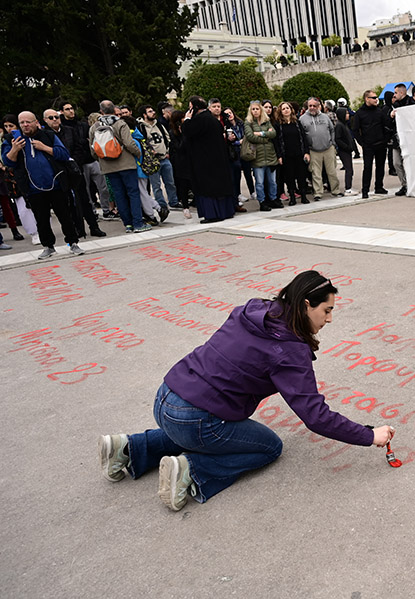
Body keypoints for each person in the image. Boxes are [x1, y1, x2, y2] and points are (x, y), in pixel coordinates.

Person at [98, 270, 396, 512]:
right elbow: (315, 416)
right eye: (327, 310)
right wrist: (370, 436)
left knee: (200, 425)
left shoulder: (255, 309)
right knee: (269, 447)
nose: (330, 319)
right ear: (306, 304)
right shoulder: (289, 350)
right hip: (193, 418)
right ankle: (191, 469)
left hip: (166, 395)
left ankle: (128, 447)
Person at [2, 111, 85, 258]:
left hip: (56, 184)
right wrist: (15, 149)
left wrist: (44, 147)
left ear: (36, 122)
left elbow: (64, 154)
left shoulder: (48, 135)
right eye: (22, 123)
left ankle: (73, 243)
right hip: (33, 188)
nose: (25, 125)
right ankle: (48, 246)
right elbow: (8, 162)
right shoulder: (11, 139)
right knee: (41, 219)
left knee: (65, 215)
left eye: (28, 122)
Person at [42, 108, 105, 238]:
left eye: (56, 117)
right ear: (45, 120)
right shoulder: (44, 136)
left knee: (84, 200)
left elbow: (79, 148)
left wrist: (73, 163)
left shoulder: (69, 131)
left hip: (75, 170)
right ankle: (78, 229)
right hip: (59, 174)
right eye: (51, 118)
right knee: (69, 204)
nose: (55, 120)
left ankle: (94, 227)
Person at [89, 100, 148, 233]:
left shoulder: (94, 127)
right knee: (133, 193)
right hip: (126, 164)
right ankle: (138, 223)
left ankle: (127, 224)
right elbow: (129, 143)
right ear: (115, 111)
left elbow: (92, 151)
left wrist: (102, 160)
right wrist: (138, 154)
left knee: (118, 195)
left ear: (101, 111)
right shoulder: (120, 123)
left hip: (108, 167)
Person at [182, 96, 236, 223]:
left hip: (205, 162)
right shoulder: (213, 119)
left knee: (208, 188)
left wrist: (187, 120)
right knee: (220, 186)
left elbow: (187, 131)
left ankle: (213, 214)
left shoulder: (199, 120)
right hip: (218, 160)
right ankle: (226, 211)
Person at [301, 97, 343, 201]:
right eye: (310, 106)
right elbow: (301, 136)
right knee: (316, 173)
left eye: (314, 106)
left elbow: (332, 130)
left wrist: (332, 143)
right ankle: (318, 193)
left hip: (328, 148)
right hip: (313, 150)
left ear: (319, 106)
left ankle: (335, 190)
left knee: (332, 171)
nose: (312, 108)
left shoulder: (325, 117)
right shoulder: (302, 119)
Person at [138, 105, 180, 209]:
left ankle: (173, 201)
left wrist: (167, 151)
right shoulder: (141, 127)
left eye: (153, 110)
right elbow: (142, 142)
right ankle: (161, 204)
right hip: (153, 161)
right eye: (150, 111)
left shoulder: (159, 125)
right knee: (156, 186)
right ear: (144, 114)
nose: (153, 113)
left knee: (170, 182)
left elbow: (167, 138)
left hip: (164, 158)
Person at [351, 90, 390, 199]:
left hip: (381, 143)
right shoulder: (359, 113)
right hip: (368, 145)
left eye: (376, 97)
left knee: (380, 166)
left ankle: (379, 186)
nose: (376, 99)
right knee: (367, 168)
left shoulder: (379, 111)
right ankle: (365, 190)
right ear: (367, 99)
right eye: (373, 97)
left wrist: (385, 139)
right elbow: (355, 130)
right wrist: (362, 143)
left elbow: (386, 125)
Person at [244, 100, 280, 211]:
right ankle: (262, 201)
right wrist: (266, 137)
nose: (255, 111)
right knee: (259, 182)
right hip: (257, 156)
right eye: (253, 109)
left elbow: (273, 133)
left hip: (270, 155)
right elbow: (250, 136)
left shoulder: (267, 121)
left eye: (257, 109)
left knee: (272, 181)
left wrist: (260, 133)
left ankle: (273, 199)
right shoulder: (248, 122)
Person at [274, 102, 309, 205]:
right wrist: (279, 155)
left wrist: (306, 152)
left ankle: (303, 196)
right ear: (280, 111)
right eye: (283, 108)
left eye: (287, 108)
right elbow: (276, 142)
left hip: (299, 153)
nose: (286, 110)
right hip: (286, 155)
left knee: (301, 176)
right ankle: (292, 197)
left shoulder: (297, 123)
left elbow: (303, 137)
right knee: (290, 177)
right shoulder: (278, 125)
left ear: (291, 109)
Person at [389, 83, 414, 196]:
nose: (394, 95)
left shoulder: (411, 103)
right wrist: (391, 116)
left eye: (396, 93)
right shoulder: (396, 105)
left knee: (410, 162)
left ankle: (411, 183)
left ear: (402, 93)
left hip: (409, 139)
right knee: (396, 163)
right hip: (397, 139)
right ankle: (404, 184)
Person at [167, 110, 192, 219]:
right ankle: (185, 206)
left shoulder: (188, 128)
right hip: (180, 162)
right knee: (183, 185)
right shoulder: (173, 133)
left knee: (193, 183)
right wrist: (184, 135)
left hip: (191, 160)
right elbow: (179, 148)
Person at [334, 107, 357, 196]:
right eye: (346, 113)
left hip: (347, 150)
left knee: (350, 169)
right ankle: (348, 188)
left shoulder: (344, 124)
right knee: (349, 169)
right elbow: (338, 139)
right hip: (344, 151)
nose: (348, 115)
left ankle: (349, 187)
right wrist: (347, 147)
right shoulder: (339, 125)